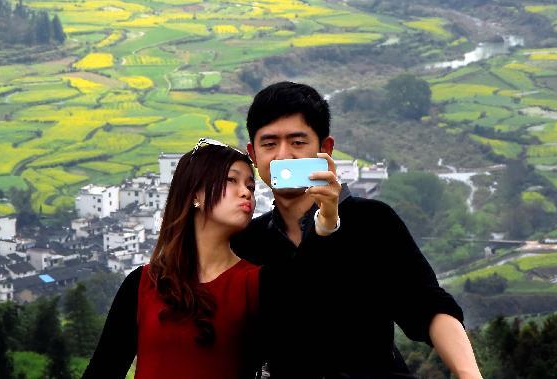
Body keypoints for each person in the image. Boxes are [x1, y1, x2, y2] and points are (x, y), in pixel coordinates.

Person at [231, 82, 482, 378]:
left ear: (325, 149)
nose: (283, 156)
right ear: (253, 153)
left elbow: (427, 306)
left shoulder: (372, 222)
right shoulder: (248, 244)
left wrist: (469, 374)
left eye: (298, 143)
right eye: (269, 144)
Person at [83, 138, 341, 378]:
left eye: (251, 186)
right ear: (196, 193)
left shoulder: (259, 285)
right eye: (233, 180)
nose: (247, 193)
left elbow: (311, 340)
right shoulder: (142, 284)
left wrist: (327, 223)